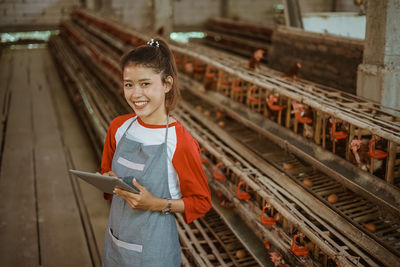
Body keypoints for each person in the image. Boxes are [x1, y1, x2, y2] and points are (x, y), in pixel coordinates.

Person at [100, 38, 212, 266]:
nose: (135, 94)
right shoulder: (118, 128)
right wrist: (107, 180)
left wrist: (156, 204)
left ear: (167, 84)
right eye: (128, 84)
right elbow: (106, 174)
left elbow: (201, 202)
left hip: (155, 251)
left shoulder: (179, 140)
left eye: (145, 84)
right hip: (116, 242)